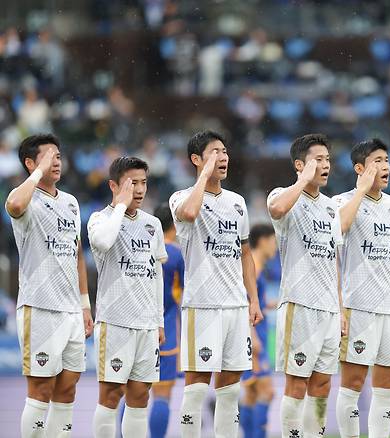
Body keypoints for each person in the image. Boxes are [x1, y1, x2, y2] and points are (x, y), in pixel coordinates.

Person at [170, 130, 263, 438]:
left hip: (235, 305)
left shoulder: (237, 202)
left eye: (224, 151)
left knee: (230, 388)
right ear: (196, 159)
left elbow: (245, 253)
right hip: (202, 304)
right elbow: (191, 212)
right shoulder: (181, 198)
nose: (223, 157)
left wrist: (253, 300)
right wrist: (204, 176)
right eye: (214, 152)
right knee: (196, 386)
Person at [5, 134, 92, 438]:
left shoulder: (70, 202)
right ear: (31, 163)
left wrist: (85, 306)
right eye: (48, 156)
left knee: (67, 388)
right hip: (39, 307)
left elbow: (78, 254)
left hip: (70, 310)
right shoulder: (24, 197)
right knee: (41, 389)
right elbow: (14, 204)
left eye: (58, 155)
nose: (57, 161)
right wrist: (38, 173)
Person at [333, 138, 390, 437]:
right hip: (357, 306)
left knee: (386, 388)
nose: (386, 167)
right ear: (359, 168)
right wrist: (360, 190)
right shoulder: (341, 202)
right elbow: (339, 229)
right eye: (378, 161)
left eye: (387, 160)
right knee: (353, 385)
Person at [266, 133, 343, 438]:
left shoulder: (330, 208)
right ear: (300, 164)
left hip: (329, 308)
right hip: (300, 304)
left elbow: (332, 260)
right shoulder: (283, 195)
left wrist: (340, 306)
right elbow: (276, 210)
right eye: (318, 160)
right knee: (297, 382)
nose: (326, 165)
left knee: (322, 384)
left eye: (328, 159)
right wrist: (302, 181)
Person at [88, 156, 167, 438]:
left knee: (140, 396)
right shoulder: (100, 219)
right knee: (110, 395)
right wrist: (120, 205)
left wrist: (159, 322)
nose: (140, 189)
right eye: (132, 183)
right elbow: (104, 242)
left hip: (146, 324)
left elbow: (156, 275)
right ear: (113, 185)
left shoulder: (153, 224)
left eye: (144, 183)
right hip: (115, 322)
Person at [149, 203, 186, 438]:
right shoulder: (175, 254)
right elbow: (183, 294)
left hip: (140, 326)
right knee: (162, 394)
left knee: (134, 393)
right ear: (175, 224)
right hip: (167, 330)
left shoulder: (145, 248)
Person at [239, 224, 278, 438]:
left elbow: (254, 301)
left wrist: (266, 304)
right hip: (254, 339)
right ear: (263, 240)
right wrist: (252, 337)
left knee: (252, 394)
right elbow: (244, 301)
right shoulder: (254, 265)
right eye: (273, 241)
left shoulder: (256, 264)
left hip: (255, 334)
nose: (275, 247)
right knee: (267, 391)